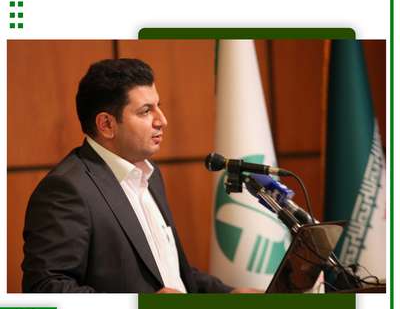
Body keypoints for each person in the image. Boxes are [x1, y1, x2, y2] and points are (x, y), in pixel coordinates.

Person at [22, 58, 257, 293]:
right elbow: (45, 288)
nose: (162, 120)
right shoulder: (66, 189)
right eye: (146, 111)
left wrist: (227, 294)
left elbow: (169, 272)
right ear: (106, 124)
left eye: (158, 106)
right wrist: (139, 307)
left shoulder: (150, 174)